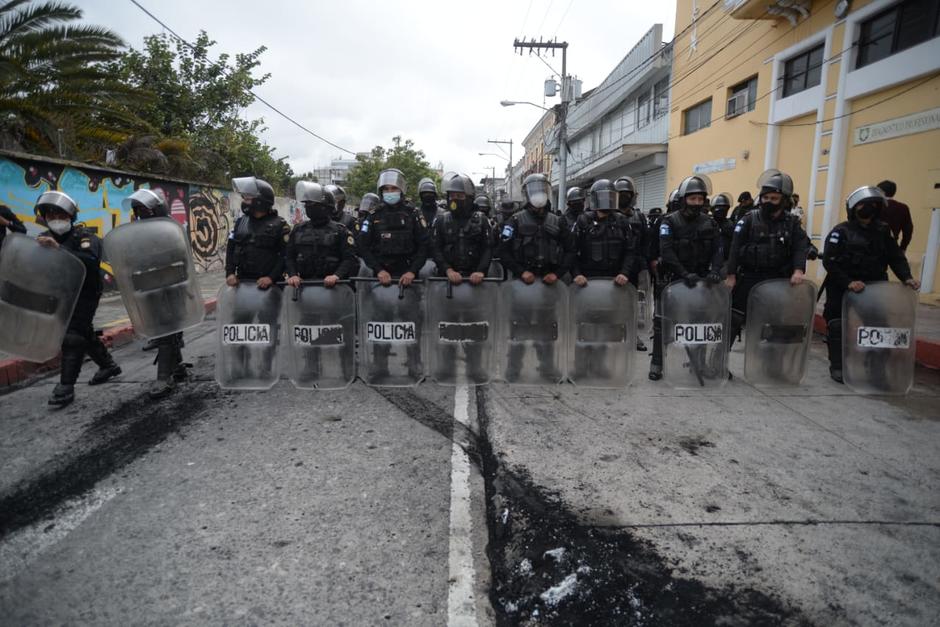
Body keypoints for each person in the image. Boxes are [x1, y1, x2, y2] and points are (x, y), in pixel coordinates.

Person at [822, 186, 919, 383]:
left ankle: (876, 367)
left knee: (878, 327)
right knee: (837, 325)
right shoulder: (840, 231)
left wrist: (906, 277)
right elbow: (830, 261)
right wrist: (848, 282)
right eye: (863, 205)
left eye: (873, 204)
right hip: (842, 286)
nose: (868, 208)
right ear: (854, 208)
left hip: (874, 288)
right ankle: (838, 366)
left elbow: (895, 256)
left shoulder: (883, 231)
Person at [36, 191, 121, 406]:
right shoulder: (44, 239)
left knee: (72, 335)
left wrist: (60, 250)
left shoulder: (84, 238)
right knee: (83, 330)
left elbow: (90, 260)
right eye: (50, 213)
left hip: (86, 292)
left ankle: (66, 387)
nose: (55, 218)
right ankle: (108, 365)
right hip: (61, 293)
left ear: (71, 216)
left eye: (60, 214)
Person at [498, 173, 573, 381]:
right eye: (534, 189)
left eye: (541, 188)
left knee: (546, 328)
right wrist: (521, 272)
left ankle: (547, 368)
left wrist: (556, 274)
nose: (538, 194)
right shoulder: (514, 221)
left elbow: (570, 251)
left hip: (548, 286)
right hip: (522, 285)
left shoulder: (558, 221)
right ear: (527, 194)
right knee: (518, 328)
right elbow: (503, 251)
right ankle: (513, 369)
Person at [649, 176, 724, 381]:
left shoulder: (710, 223)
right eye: (693, 199)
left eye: (700, 199)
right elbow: (666, 250)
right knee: (662, 322)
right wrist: (683, 273)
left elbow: (718, 249)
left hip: (700, 280)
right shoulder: (669, 221)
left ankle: (698, 362)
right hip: (673, 278)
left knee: (700, 322)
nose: (697, 203)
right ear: (684, 199)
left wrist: (715, 270)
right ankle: (657, 363)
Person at [357, 168, 429, 379]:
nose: (390, 191)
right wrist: (378, 270)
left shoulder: (414, 215)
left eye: (393, 188)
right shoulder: (374, 216)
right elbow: (363, 246)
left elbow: (424, 246)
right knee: (381, 324)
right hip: (382, 281)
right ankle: (380, 367)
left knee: (411, 324)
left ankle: (414, 366)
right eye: (386, 188)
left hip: (409, 281)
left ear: (401, 190)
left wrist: (412, 271)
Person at [725, 171, 809, 350]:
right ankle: (718, 363)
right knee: (734, 318)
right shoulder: (749, 219)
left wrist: (798, 270)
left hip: (778, 278)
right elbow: (734, 248)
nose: (768, 201)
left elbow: (800, 247)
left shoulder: (792, 223)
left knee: (775, 321)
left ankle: (770, 363)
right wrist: (731, 275)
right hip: (749, 276)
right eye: (765, 197)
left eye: (774, 198)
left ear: (784, 200)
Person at [121, 189, 191, 398]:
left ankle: (163, 378)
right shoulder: (135, 233)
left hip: (172, 286)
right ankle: (177, 368)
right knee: (163, 330)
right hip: (149, 287)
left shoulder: (170, 229)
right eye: (137, 210)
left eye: (143, 209)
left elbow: (181, 256)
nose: (140, 213)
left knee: (168, 332)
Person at [285, 181, 358, 381]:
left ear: (326, 207)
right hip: (307, 291)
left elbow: (349, 259)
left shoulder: (341, 231)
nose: (309, 208)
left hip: (334, 291)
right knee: (310, 329)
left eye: (313, 205)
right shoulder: (298, 230)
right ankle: (311, 368)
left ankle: (345, 369)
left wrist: (337, 276)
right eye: (307, 205)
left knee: (339, 330)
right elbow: (289, 256)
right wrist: (292, 274)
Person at [570, 179, 636, 378]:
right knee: (585, 326)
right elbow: (571, 251)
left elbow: (631, 251)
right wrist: (576, 274)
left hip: (612, 285)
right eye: (603, 196)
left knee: (606, 327)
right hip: (587, 284)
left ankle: (600, 366)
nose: (607, 201)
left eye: (611, 196)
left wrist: (625, 272)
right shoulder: (583, 221)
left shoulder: (622, 222)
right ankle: (581, 367)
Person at [431, 174, 493, 380]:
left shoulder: (481, 220)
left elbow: (488, 248)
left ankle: (475, 368)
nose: (454, 200)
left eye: (459, 195)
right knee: (447, 327)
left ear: (469, 196)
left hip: (473, 285)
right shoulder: (441, 220)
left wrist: (480, 271)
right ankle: (446, 368)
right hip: (447, 284)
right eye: (451, 195)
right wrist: (448, 270)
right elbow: (436, 249)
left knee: (473, 328)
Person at [614, 176, 649, 351]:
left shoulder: (639, 217)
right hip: (614, 266)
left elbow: (645, 243)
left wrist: (644, 266)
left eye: (627, 194)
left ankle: (632, 335)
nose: (624, 197)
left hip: (633, 268)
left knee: (631, 304)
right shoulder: (609, 215)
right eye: (620, 193)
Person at [876, 180, 913, 252]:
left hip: (873, 246)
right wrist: (903, 247)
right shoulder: (903, 208)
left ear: (882, 192)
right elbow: (908, 230)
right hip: (892, 245)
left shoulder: (875, 206)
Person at [710, 192, 734, 261]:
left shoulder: (730, 224)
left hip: (725, 259)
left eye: (724, 209)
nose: (721, 212)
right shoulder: (708, 223)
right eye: (719, 209)